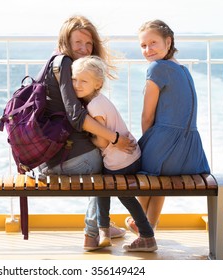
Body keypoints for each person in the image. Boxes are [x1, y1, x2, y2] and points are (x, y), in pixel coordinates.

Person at [37, 15, 136, 250]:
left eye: (88, 44)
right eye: (78, 43)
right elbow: (76, 117)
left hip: (46, 159)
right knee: (106, 168)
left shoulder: (53, 62)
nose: (84, 49)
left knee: (100, 156)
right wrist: (116, 139)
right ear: (65, 42)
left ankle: (105, 225)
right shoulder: (65, 64)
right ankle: (93, 233)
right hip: (68, 160)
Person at [125, 19, 211, 234]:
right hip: (191, 155)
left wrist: (148, 144)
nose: (148, 49)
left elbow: (147, 116)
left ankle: (141, 225)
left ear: (168, 41)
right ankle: (149, 226)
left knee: (147, 168)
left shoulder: (157, 68)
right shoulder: (183, 70)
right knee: (159, 174)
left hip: (166, 147)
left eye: (153, 43)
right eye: (143, 46)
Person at [71, 55, 157, 252]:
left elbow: (101, 140)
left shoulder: (93, 107)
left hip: (119, 162)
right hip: (131, 157)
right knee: (105, 187)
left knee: (117, 193)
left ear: (98, 83)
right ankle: (105, 230)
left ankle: (146, 236)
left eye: (84, 80)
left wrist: (86, 138)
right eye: (74, 79)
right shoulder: (101, 100)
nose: (77, 84)